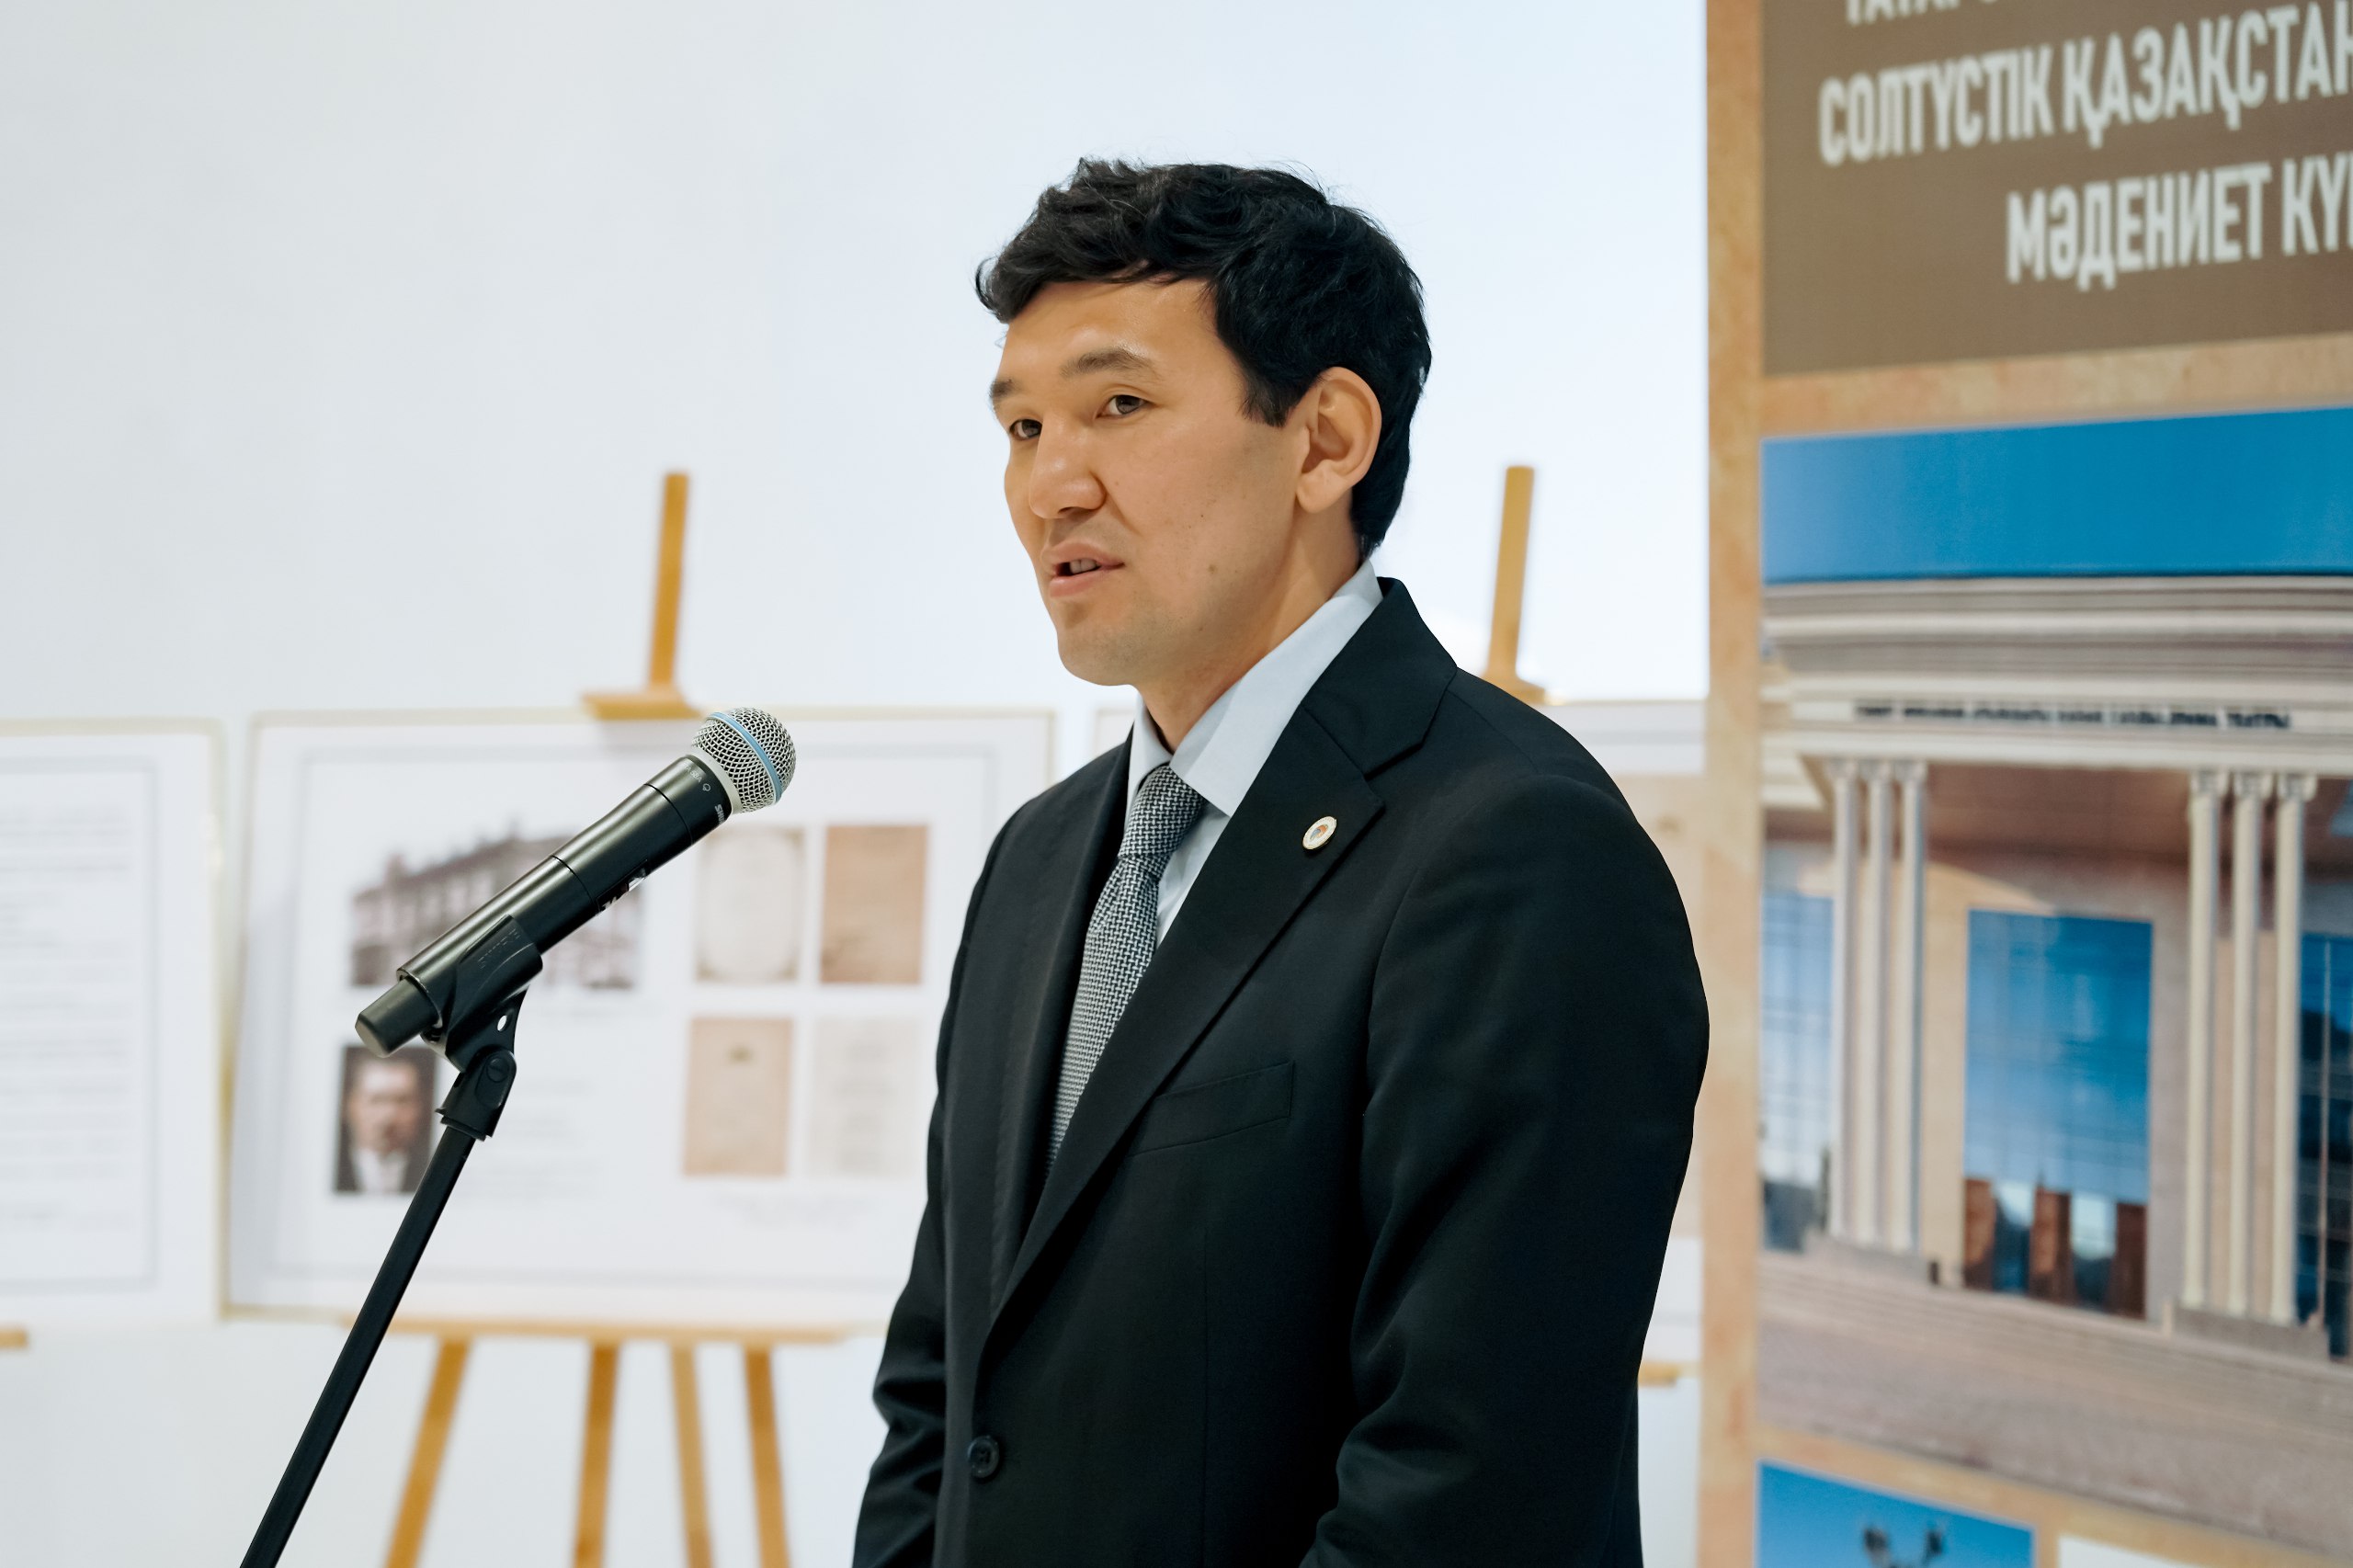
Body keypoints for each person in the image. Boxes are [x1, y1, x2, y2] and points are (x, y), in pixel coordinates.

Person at [854, 161, 1706, 1568]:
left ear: (1325, 441)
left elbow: (1467, 1490)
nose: (1052, 484)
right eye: (1022, 426)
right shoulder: (1039, 857)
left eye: (1119, 407)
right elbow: (942, 1402)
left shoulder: (1511, 849)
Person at [334, 1045, 433, 1196]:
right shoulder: (329, 1167)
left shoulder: (431, 1170)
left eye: (402, 1101)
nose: (389, 1116)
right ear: (350, 1104)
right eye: (377, 1100)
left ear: (421, 1107)